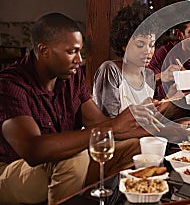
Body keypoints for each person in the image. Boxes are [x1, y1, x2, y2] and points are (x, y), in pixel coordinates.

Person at [0, 13, 161, 204]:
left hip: (65, 166)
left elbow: (100, 123)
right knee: (74, 158)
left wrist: (163, 131)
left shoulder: (71, 78)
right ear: (44, 51)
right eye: (71, 52)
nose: (79, 59)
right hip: (12, 171)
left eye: (80, 52)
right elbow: (34, 150)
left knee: (134, 146)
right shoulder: (9, 84)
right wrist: (112, 127)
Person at [92, 4, 190, 125]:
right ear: (124, 45)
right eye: (140, 45)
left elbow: (149, 121)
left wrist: (172, 100)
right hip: (113, 141)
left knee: (189, 122)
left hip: (140, 140)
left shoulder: (148, 75)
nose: (148, 51)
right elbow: (112, 125)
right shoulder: (111, 71)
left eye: (152, 45)